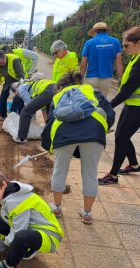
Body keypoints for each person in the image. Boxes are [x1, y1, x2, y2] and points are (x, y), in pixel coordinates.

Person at [41, 72, 115, 224]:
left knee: (59, 171)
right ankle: (87, 213)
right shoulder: (92, 92)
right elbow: (111, 115)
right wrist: (101, 129)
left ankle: (56, 208)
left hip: (64, 134)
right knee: (90, 173)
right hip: (95, 132)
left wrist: (49, 146)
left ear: (60, 86)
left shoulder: (58, 97)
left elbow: (49, 124)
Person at [0, 171, 63, 268]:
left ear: (3, 184)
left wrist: (3, 243)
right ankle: (26, 249)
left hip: (49, 235)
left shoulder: (16, 202)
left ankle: (9, 267)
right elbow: (7, 217)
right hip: (33, 228)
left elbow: (18, 230)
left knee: (21, 236)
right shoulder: (10, 190)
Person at [98, 26, 140, 184]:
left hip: (137, 107)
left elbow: (129, 88)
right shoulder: (136, 57)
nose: (123, 49)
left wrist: (109, 105)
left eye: (126, 45)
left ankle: (113, 175)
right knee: (121, 136)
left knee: (121, 137)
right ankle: (134, 164)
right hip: (132, 104)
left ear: (138, 43)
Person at [80, 22, 123, 98]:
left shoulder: (89, 43)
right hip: (106, 78)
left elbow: (83, 63)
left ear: (94, 31)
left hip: (91, 77)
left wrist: (81, 78)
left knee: (90, 102)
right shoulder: (115, 42)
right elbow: (118, 62)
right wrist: (121, 78)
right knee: (102, 102)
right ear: (106, 31)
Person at [11, 73, 56, 143]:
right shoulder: (30, 84)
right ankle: (50, 136)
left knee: (24, 112)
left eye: (15, 93)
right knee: (51, 115)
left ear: (15, 89)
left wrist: (31, 117)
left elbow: (29, 104)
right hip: (56, 89)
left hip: (47, 91)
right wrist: (33, 117)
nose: (17, 95)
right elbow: (42, 108)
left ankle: (21, 138)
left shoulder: (21, 88)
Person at [0, 50, 25, 122]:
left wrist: (19, 88)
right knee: (3, 98)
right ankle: (2, 116)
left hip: (18, 81)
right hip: (8, 82)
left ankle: (22, 118)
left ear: (4, 56)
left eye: (2, 61)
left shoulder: (14, 60)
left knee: (19, 99)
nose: (2, 64)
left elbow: (21, 76)